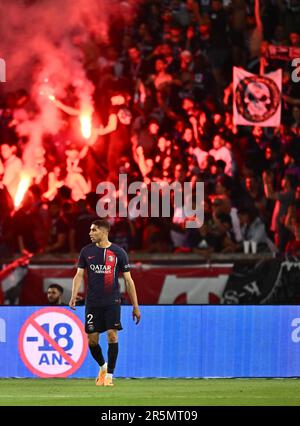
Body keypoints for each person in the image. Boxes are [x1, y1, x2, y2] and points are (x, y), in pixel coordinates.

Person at [69, 219, 141, 387]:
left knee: (112, 335)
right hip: (92, 302)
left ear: (104, 231)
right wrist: (73, 295)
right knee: (92, 341)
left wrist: (135, 306)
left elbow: (129, 281)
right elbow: (79, 275)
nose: (90, 233)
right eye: (90, 230)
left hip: (112, 301)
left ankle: (109, 376)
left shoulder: (119, 252)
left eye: (93, 230)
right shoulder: (86, 251)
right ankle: (103, 366)